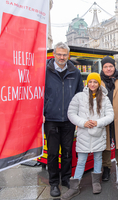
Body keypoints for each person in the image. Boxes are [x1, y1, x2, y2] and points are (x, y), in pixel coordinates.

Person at [62, 73, 114, 199]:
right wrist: (83, 123)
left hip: (98, 134)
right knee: (81, 161)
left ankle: (96, 182)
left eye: (95, 82)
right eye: (90, 82)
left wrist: (98, 122)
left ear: (98, 83)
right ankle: (74, 187)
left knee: (98, 158)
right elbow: (71, 113)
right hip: (83, 135)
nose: (92, 84)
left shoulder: (105, 98)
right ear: (87, 83)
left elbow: (110, 115)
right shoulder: (79, 97)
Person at [44, 42, 84, 197]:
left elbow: (80, 95)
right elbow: (38, 94)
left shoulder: (75, 73)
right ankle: (54, 183)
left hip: (69, 119)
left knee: (67, 151)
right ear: (54, 54)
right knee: (53, 153)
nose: (62, 57)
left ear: (69, 55)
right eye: (59, 54)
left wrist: (79, 117)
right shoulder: (44, 71)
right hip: (51, 118)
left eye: (64, 54)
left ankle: (66, 178)